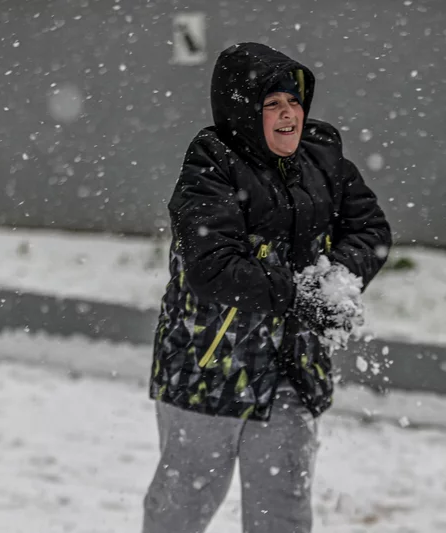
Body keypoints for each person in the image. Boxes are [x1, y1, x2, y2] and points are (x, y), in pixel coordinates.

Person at [142, 42, 392, 533]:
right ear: (243, 112)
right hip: (209, 368)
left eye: (294, 102)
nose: (288, 115)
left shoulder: (323, 159)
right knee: (182, 507)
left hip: (291, 371)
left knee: (283, 512)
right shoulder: (211, 165)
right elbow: (213, 267)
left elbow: (370, 231)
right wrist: (301, 295)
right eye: (272, 104)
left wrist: (335, 278)